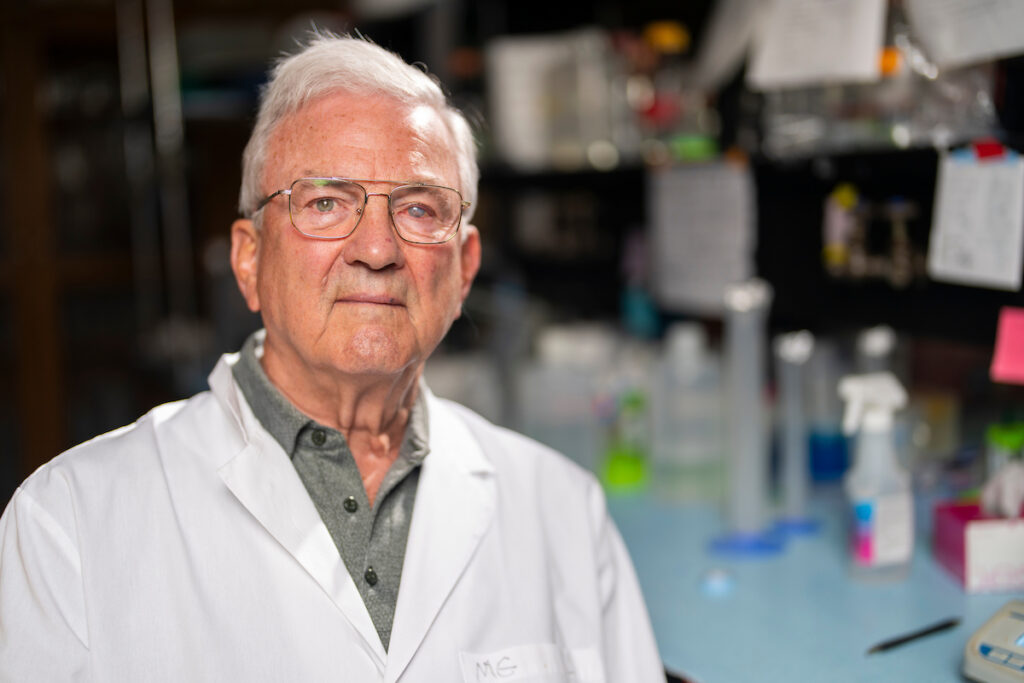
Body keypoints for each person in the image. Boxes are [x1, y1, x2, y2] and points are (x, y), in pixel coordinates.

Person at [0, 32, 664, 681]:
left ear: (464, 270)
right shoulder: (71, 526)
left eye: (420, 208)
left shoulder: (563, 512)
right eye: (325, 202)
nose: (376, 248)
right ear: (249, 259)